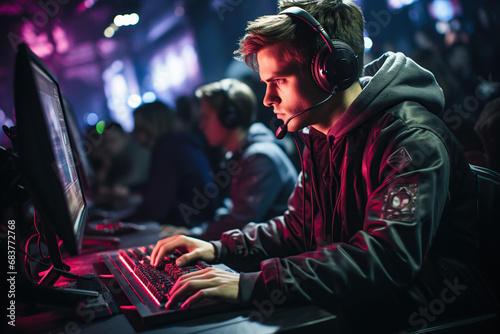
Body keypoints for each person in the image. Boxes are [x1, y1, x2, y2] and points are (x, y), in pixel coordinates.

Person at [150, 1, 498, 332]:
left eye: (279, 82)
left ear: (330, 71)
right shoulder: (321, 134)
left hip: (423, 318)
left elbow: (385, 258)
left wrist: (251, 285)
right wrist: (219, 248)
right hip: (356, 309)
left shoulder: (410, 141)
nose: (269, 99)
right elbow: (298, 226)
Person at [160, 78, 298, 240]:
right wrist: (192, 233)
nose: (201, 126)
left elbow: (239, 224)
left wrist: (194, 235)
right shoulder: (242, 155)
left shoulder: (260, 158)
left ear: (229, 118)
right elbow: (232, 212)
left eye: (206, 117)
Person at [124, 100, 217, 226]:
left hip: (193, 224)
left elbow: (155, 207)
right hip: (202, 220)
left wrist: (120, 223)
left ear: (153, 126)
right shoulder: (179, 143)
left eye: (140, 129)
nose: (135, 135)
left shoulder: (167, 148)